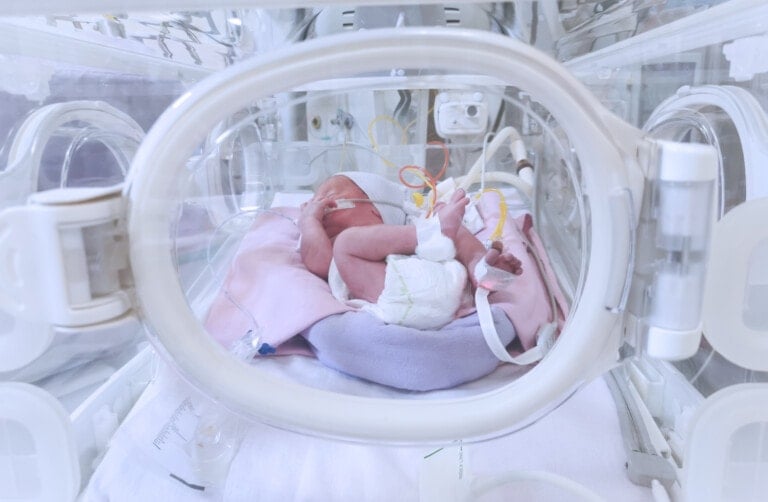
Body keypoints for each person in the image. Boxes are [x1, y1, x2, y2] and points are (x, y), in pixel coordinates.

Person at [298, 171, 522, 329]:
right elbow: (316, 260)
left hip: (448, 285)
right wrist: (309, 222)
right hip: (392, 296)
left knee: (457, 235)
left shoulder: (402, 230)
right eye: (316, 199)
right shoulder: (339, 248)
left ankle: (481, 269)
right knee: (346, 243)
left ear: (377, 210)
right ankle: (437, 232)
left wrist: (434, 229)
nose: (319, 204)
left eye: (332, 196)